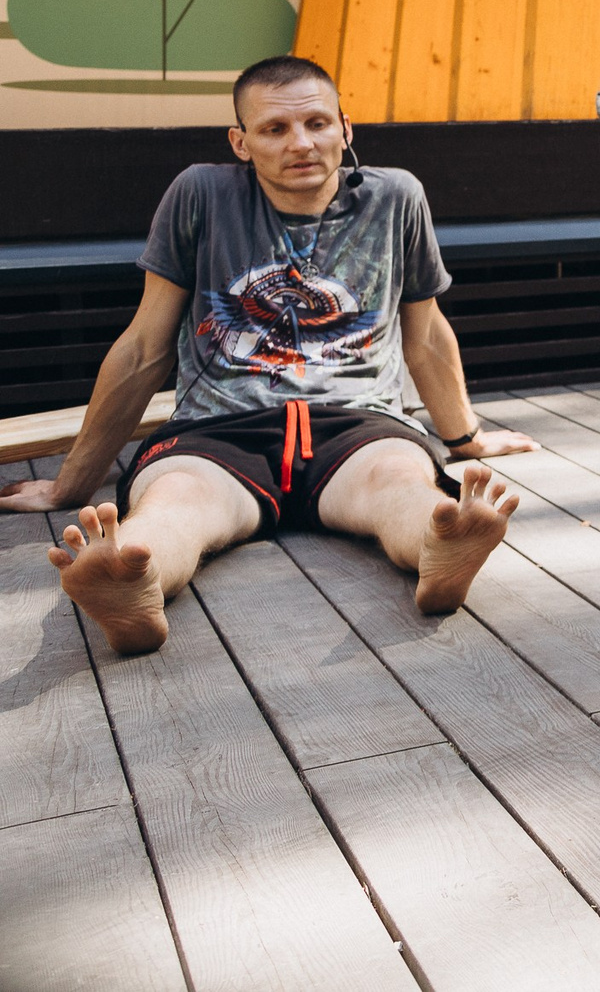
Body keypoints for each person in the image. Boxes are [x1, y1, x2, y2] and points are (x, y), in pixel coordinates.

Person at [0, 56, 538, 654]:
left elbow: (428, 336)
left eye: (317, 123)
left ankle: (441, 547)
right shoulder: (201, 194)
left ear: (346, 128)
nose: (301, 143)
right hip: (217, 429)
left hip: (356, 424)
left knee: (401, 483)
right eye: (275, 129)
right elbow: (144, 349)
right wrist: (69, 485)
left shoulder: (396, 199)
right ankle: (133, 576)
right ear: (242, 141)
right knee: (175, 502)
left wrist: (466, 439)